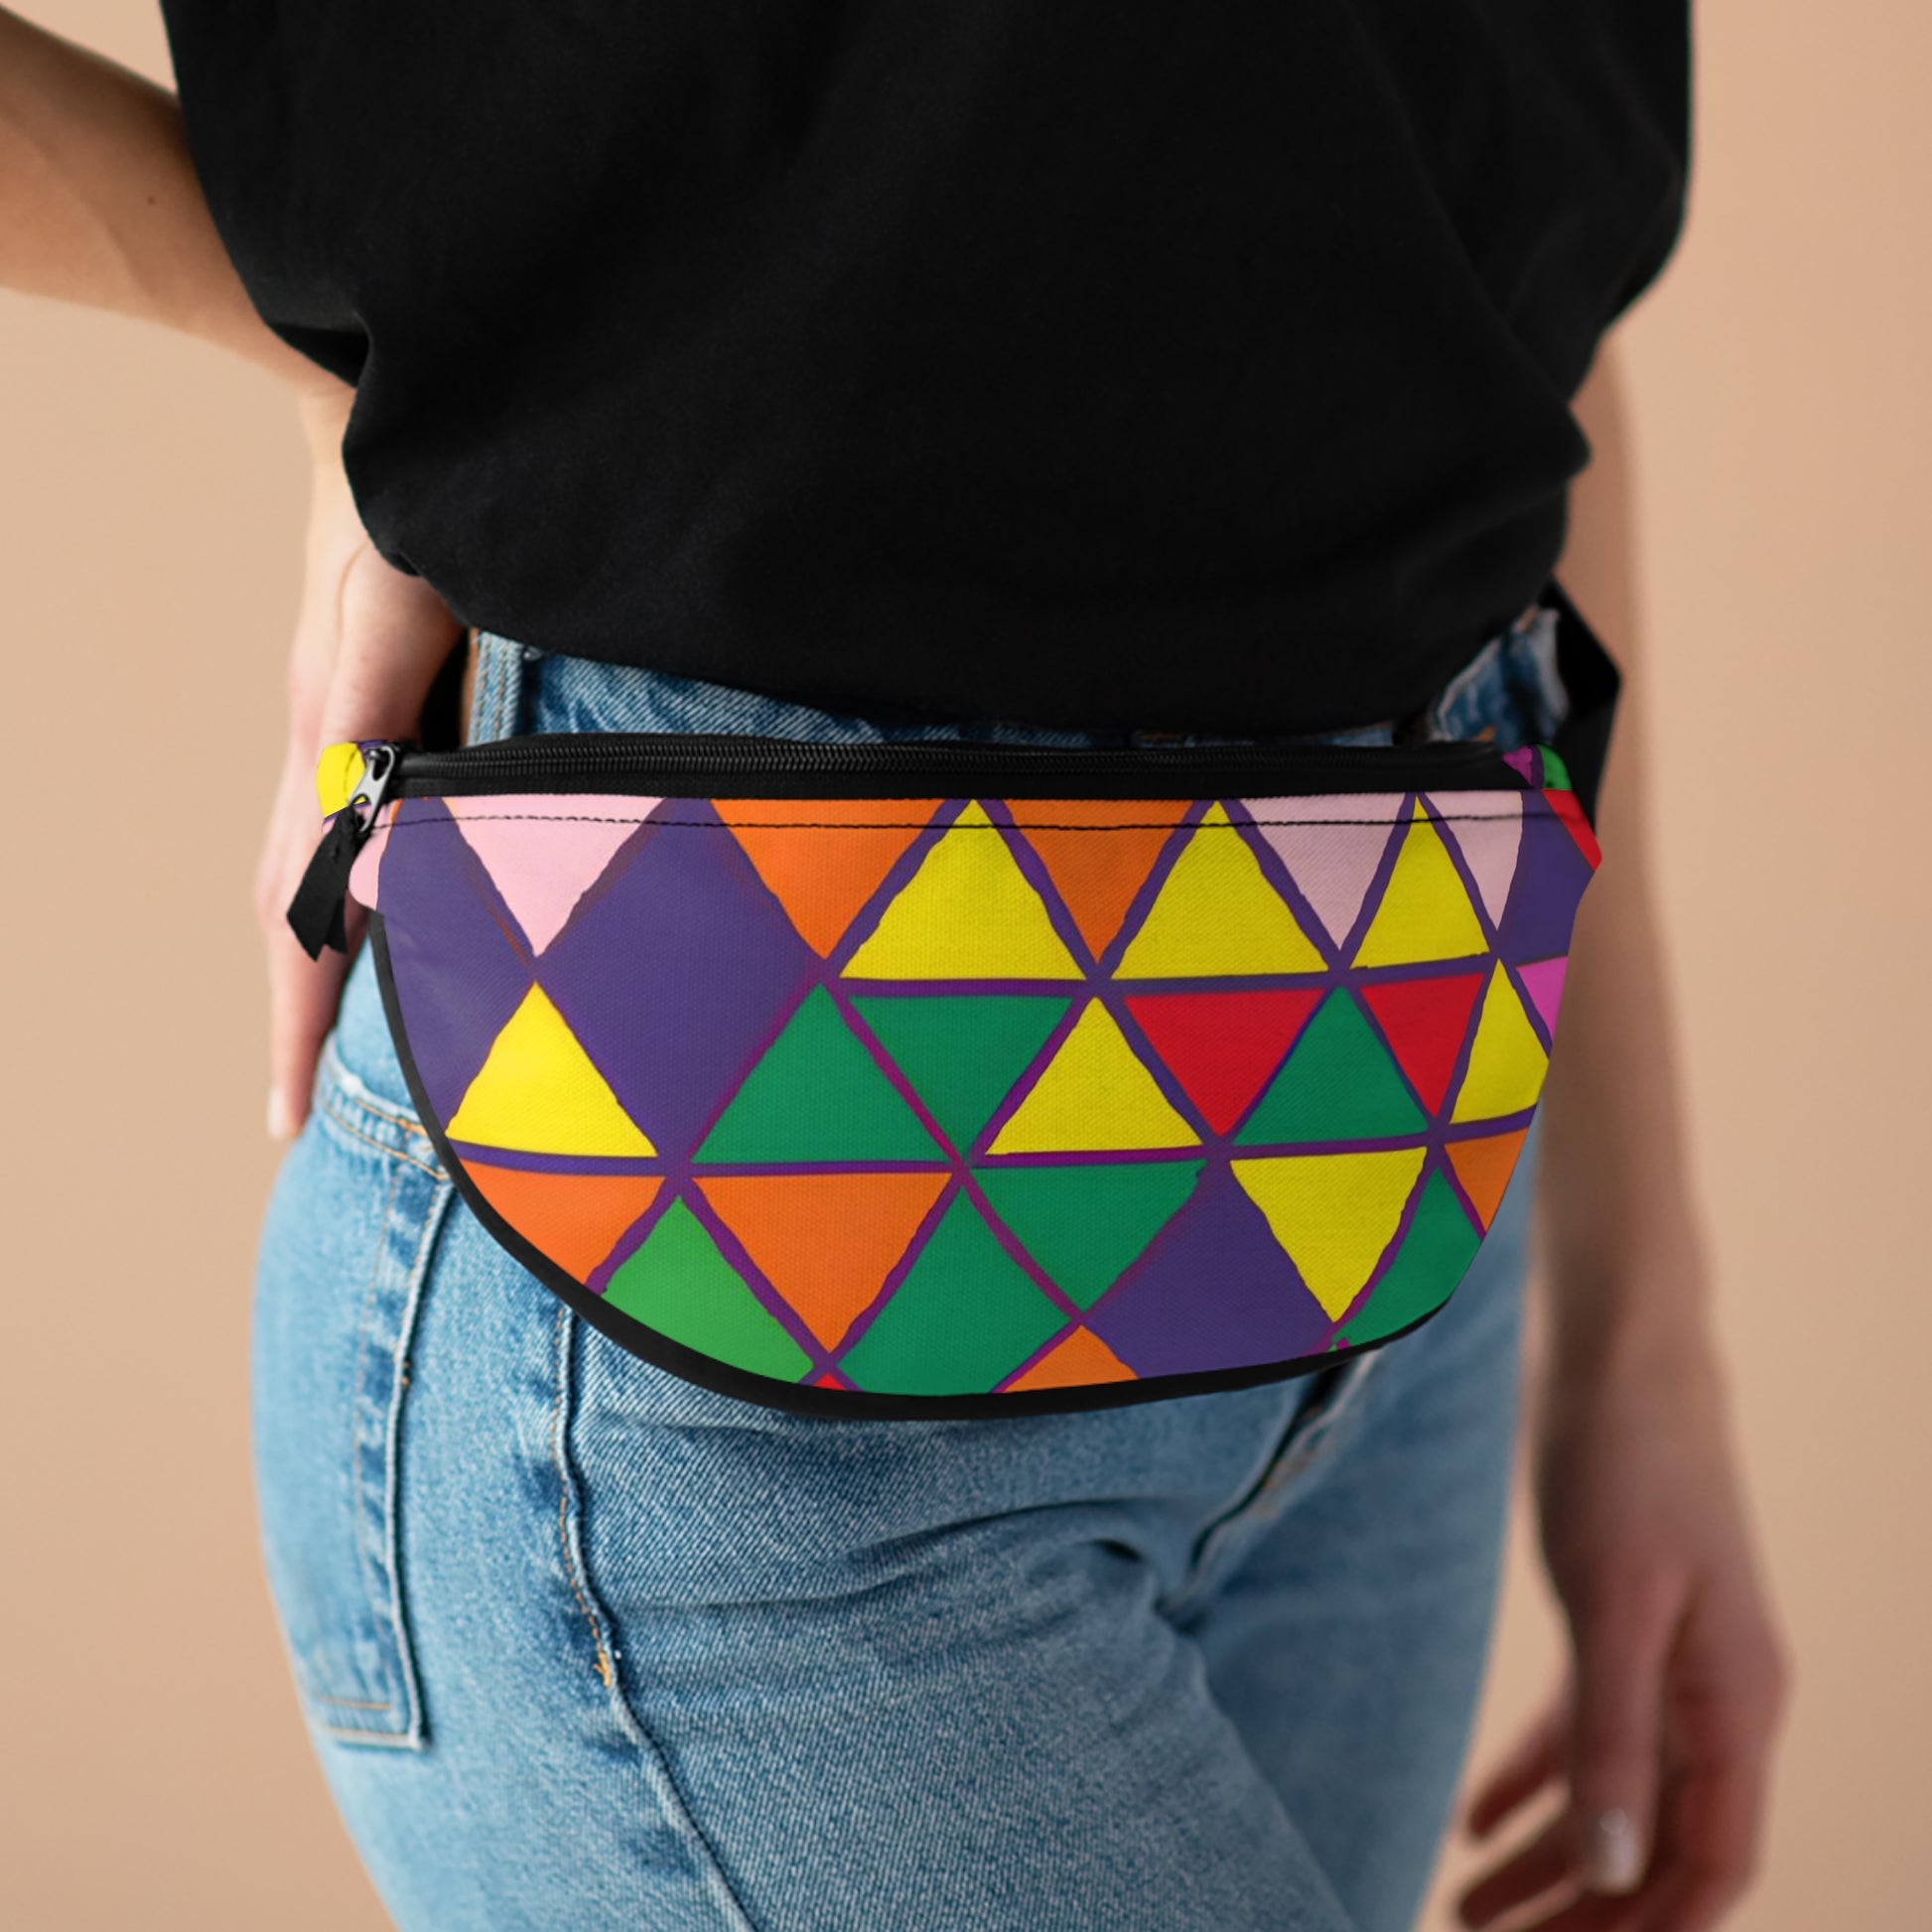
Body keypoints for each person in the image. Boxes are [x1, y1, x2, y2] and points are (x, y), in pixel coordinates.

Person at [1, 7, 1789, 1928]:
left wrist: (1641, 1332)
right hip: (728, 1283)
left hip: (1396, 1133)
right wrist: (346, 374)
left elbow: (1507, 278)